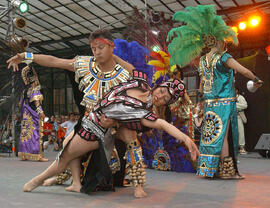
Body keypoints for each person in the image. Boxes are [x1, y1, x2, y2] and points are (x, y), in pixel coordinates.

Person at [7, 29, 152, 197]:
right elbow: (55, 61)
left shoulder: (124, 73)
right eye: (93, 48)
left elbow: (138, 84)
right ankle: (43, 179)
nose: (97, 52)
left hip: (118, 123)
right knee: (67, 150)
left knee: (132, 139)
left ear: (111, 46)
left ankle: (138, 185)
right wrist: (26, 56)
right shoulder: (85, 65)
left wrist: (115, 122)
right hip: (92, 125)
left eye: (101, 47)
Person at [20, 70, 199, 196]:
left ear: (165, 104)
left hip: (100, 130)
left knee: (67, 155)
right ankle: (70, 182)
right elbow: (122, 63)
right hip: (90, 118)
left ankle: (38, 180)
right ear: (158, 86)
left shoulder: (146, 114)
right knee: (67, 146)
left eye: (166, 99)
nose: (161, 97)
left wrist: (185, 137)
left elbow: (163, 124)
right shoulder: (139, 81)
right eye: (162, 91)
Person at [167, 5, 263, 179]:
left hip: (210, 104)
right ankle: (227, 171)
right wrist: (256, 80)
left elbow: (202, 85)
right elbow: (245, 71)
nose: (226, 42)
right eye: (224, 40)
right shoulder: (224, 57)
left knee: (211, 136)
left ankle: (209, 169)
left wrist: (203, 102)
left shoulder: (203, 61)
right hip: (224, 103)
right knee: (224, 137)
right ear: (218, 41)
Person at [18, 65, 49, 162]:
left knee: (25, 134)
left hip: (25, 115)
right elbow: (37, 103)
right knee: (36, 135)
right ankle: (39, 155)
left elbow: (20, 104)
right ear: (34, 81)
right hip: (34, 115)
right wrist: (42, 112)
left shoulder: (24, 91)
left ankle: (24, 154)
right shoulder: (35, 90)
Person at [236, 89, 248, 154]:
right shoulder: (229, 97)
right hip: (230, 117)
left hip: (238, 116)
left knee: (241, 131)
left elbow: (245, 105)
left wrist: (235, 106)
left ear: (237, 90)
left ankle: (242, 147)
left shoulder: (240, 97)